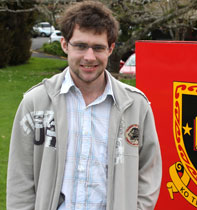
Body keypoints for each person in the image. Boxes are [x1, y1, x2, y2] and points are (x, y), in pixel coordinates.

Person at [6, 1, 162, 210]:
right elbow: (20, 178)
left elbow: (149, 171)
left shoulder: (136, 106)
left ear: (111, 49)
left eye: (98, 47)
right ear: (64, 45)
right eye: (80, 46)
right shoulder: (35, 103)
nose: (89, 57)